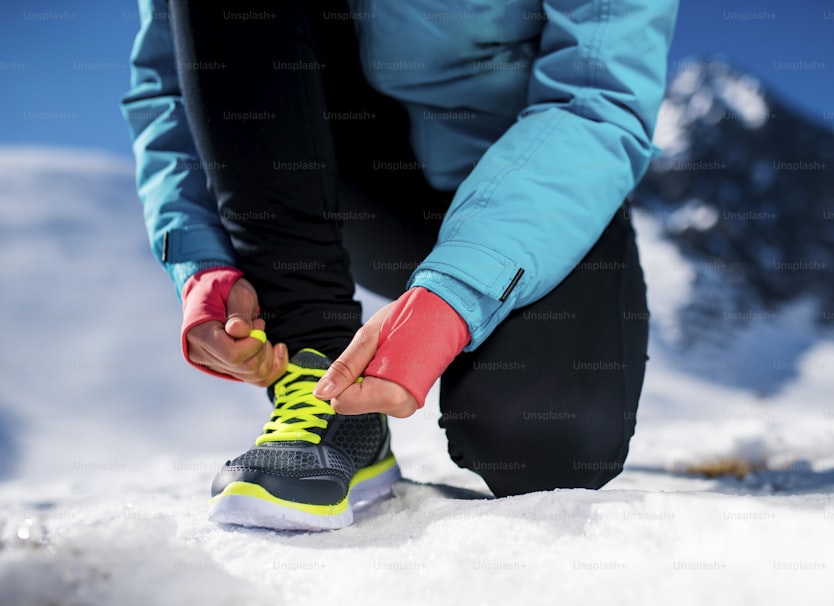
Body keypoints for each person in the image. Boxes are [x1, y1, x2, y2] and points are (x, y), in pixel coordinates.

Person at [121, 0, 678, 530]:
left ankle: (467, 318)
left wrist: (461, 289)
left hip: (538, 187)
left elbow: (598, 97)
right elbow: (174, 83)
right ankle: (327, 387)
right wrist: (202, 260)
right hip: (343, 193)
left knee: (544, 441)